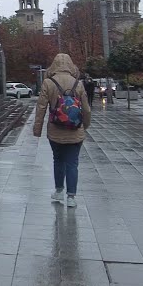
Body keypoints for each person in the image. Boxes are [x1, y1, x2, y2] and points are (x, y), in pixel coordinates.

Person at [33, 53, 92, 208]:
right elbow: (86, 109)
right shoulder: (78, 83)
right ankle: (71, 197)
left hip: (55, 130)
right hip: (75, 130)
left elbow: (41, 108)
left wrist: (37, 129)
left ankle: (59, 191)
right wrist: (85, 125)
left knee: (58, 160)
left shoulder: (48, 82)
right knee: (72, 163)